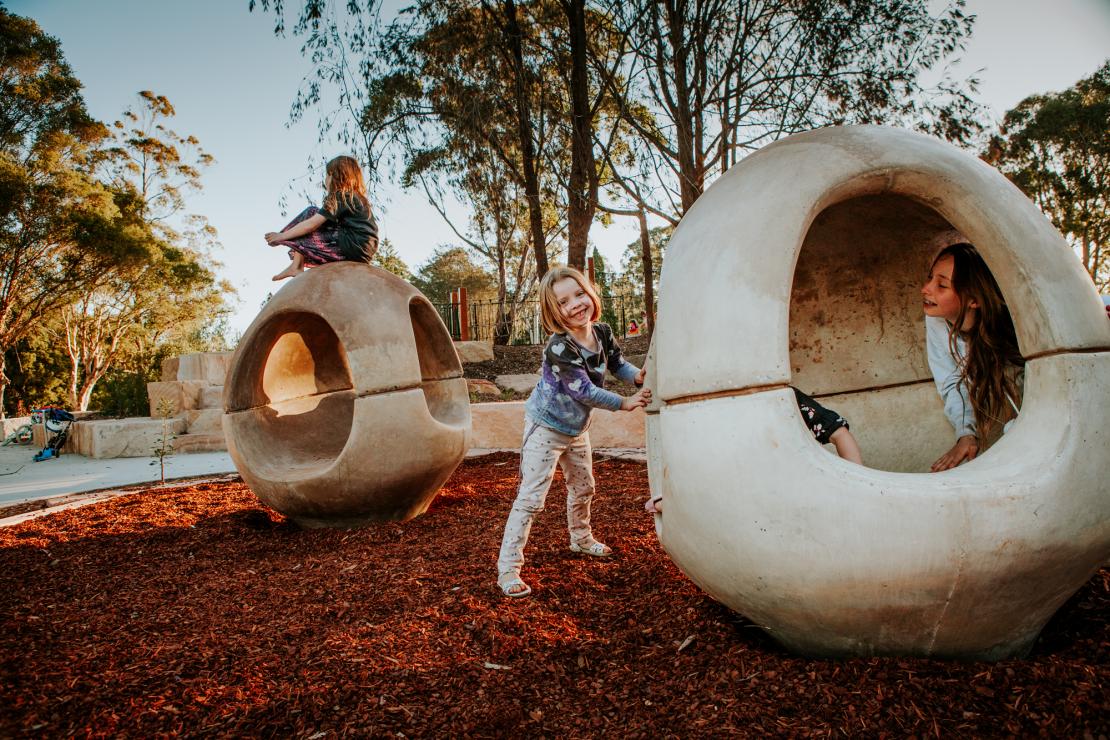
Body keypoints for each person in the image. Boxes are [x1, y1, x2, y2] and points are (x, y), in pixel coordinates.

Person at [497, 266, 650, 598]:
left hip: (577, 429)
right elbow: (584, 391)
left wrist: (636, 377)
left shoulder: (602, 332)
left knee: (584, 488)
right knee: (532, 499)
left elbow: (617, 363)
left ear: (590, 293)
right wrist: (626, 403)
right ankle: (508, 567)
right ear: (555, 312)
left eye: (579, 294)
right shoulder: (559, 348)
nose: (576, 304)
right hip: (546, 429)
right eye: (564, 301)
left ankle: (580, 539)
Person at [644, 387, 861, 515]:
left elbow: (837, 430)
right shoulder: (715, 413)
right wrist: (679, 500)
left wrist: (857, 482)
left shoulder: (784, 399)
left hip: (798, 496)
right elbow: (710, 470)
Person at [922, 242, 1024, 472]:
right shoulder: (936, 320)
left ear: (974, 300)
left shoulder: (1011, 336)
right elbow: (951, 380)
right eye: (930, 278)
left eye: (941, 285)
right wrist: (966, 433)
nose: (925, 288)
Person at [265, 155, 379, 281]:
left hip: (352, 244)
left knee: (311, 212)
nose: (325, 180)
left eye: (327, 175)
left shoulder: (341, 195)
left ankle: (296, 265)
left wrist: (281, 236)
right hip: (364, 251)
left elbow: (311, 225)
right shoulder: (357, 198)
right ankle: (296, 264)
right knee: (318, 221)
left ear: (334, 176)